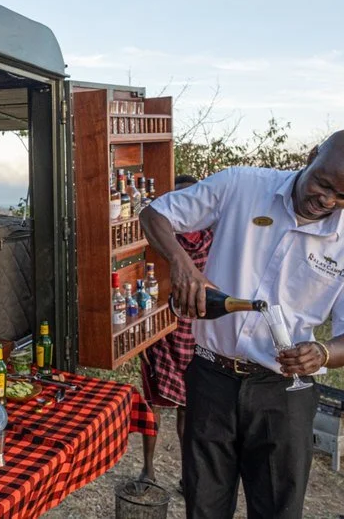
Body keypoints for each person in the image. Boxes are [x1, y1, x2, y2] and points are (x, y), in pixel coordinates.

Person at [139, 129, 344, 519]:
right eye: (323, 184)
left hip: (284, 394)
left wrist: (322, 353)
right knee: (204, 504)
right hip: (211, 377)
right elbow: (154, 214)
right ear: (312, 156)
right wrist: (182, 266)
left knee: (276, 509)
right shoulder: (242, 185)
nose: (328, 200)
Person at [138, 174, 212, 491]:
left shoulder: (214, 236)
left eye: (192, 198)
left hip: (195, 330)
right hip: (160, 328)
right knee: (151, 402)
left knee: (189, 407)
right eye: (180, 199)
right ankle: (148, 469)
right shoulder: (160, 236)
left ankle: (188, 474)